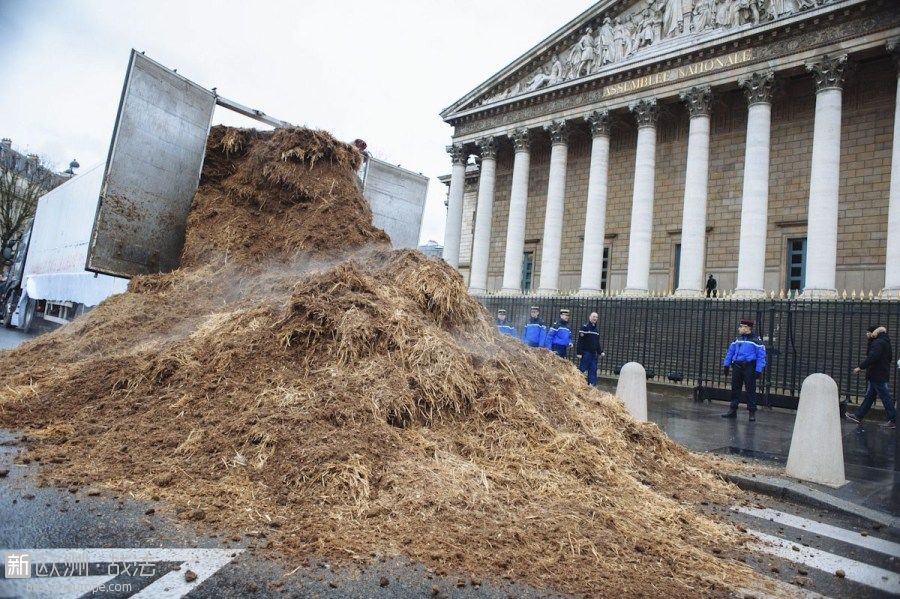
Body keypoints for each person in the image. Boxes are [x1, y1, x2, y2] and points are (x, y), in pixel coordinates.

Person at [846, 326, 896, 428]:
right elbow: (889, 358)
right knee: (870, 397)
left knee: (885, 397)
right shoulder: (885, 342)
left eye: (868, 332)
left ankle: (894, 420)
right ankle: (858, 415)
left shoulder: (877, 343)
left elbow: (872, 356)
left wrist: (860, 367)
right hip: (881, 373)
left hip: (877, 374)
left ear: (874, 333)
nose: (866, 334)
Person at [721, 319, 767, 421]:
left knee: (750, 390)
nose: (739, 328)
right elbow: (730, 352)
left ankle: (752, 412)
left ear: (747, 328)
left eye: (741, 326)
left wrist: (758, 370)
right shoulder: (737, 339)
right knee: (735, 389)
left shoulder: (756, 341)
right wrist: (726, 365)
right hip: (737, 366)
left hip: (749, 367)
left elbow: (761, 356)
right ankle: (732, 410)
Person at [576, 312, 606, 386]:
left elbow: (597, 343)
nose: (595, 318)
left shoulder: (596, 330)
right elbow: (580, 341)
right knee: (582, 369)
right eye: (593, 316)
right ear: (590, 317)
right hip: (586, 353)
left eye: (596, 317)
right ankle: (577, 384)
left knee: (593, 370)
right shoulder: (584, 327)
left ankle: (591, 386)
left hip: (593, 354)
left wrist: (600, 351)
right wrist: (579, 353)